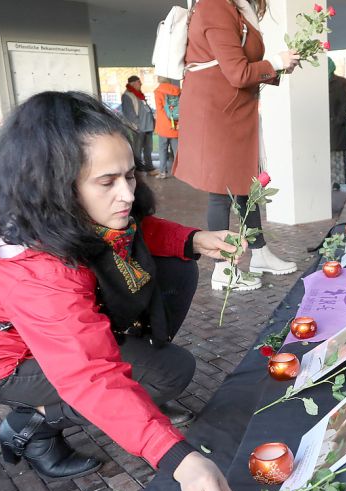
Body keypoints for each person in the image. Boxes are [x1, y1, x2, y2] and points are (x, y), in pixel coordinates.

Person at [0, 92, 246, 491]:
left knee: (175, 271)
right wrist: (179, 460)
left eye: (130, 176)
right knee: (169, 373)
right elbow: (89, 375)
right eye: (107, 182)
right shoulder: (36, 267)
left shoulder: (59, 216)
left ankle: (136, 383)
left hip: (53, 338)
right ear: (54, 183)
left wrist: (193, 239)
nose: (128, 194)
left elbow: (138, 230)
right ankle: (31, 425)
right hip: (10, 362)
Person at [175, 0, 301, 291]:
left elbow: (237, 67)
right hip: (218, 112)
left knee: (246, 184)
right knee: (221, 191)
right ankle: (222, 270)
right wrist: (277, 63)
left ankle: (260, 254)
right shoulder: (216, 6)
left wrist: (277, 68)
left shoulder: (229, 6)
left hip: (230, 108)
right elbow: (237, 73)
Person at [121, 75, 157, 175]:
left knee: (148, 149)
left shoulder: (139, 95)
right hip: (138, 128)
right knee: (137, 151)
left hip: (148, 127)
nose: (140, 84)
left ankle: (149, 169)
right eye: (138, 82)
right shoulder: (127, 95)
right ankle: (137, 170)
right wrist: (137, 125)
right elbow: (129, 113)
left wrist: (152, 122)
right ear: (132, 83)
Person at [327, 58, 346, 190]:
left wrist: (338, 119)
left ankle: (336, 181)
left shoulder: (341, 82)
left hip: (336, 125)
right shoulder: (316, 82)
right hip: (321, 125)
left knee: (335, 154)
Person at [153, 76, 181, 179]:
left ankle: (163, 172)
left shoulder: (158, 92)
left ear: (159, 80)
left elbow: (160, 110)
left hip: (163, 126)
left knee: (162, 150)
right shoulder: (178, 90)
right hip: (176, 125)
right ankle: (179, 172)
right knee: (177, 150)